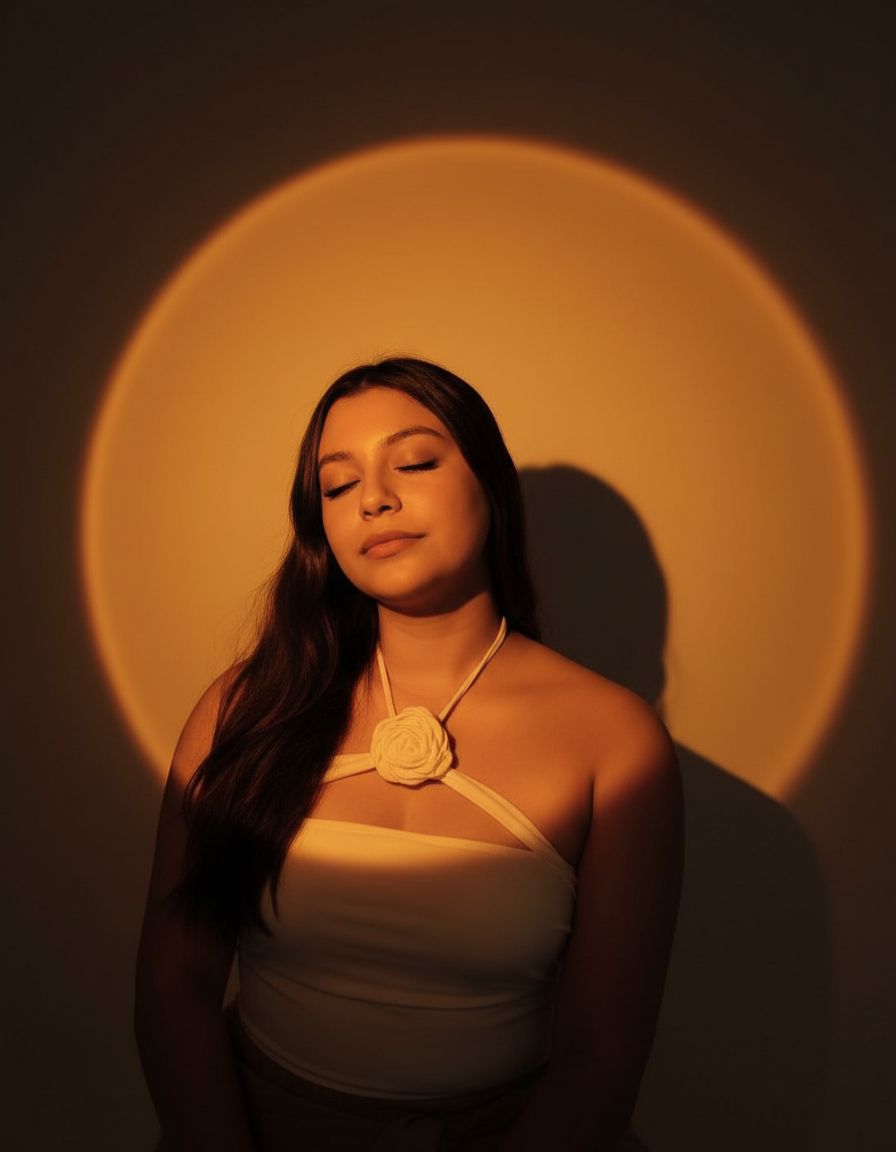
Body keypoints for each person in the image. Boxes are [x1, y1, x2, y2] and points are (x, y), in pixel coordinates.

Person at [135, 357, 684, 1151]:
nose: (375, 499)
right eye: (337, 484)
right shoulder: (243, 707)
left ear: (489, 486)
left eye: (416, 462)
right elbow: (173, 987)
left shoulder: (614, 738)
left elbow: (599, 1061)